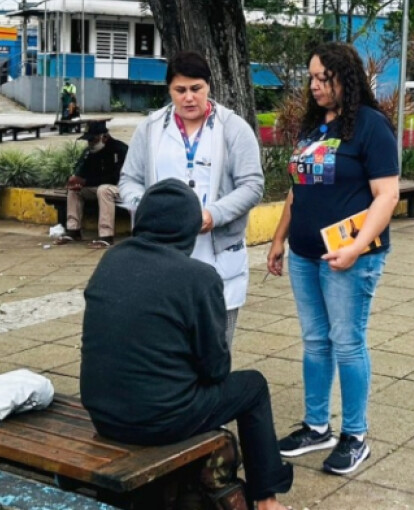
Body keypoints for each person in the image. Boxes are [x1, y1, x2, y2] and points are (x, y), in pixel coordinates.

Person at [81, 179, 293, 509]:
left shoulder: (111, 261)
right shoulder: (198, 276)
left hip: (104, 415)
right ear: (191, 229)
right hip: (160, 420)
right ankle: (266, 499)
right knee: (253, 387)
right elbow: (216, 369)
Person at [266, 42, 399, 476]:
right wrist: (278, 239)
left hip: (349, 257)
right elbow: (296, 189)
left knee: (347, 342)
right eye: (311, 78)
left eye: (324, 78)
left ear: (347, 77)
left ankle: (355, 435)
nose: (315, 85)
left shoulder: (371, 127)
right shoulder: (313, 127)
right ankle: (317, 424)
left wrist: (356, 247)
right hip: (306, 254)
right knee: (315, 341)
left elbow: (387, 195)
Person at [119, 51, 263, 346]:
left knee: (216, 346)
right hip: (163, 250)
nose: (188, 98)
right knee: (167, 343)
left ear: (208, 86)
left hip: (217, 250)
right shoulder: (151, 128)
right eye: (180, 90)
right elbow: (129, 180)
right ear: (169, 90)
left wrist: (213, 215)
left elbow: (252, 185)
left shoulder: (233, 129)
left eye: (196, 88)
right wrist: (146, 211)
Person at [56, 119, 129, 248]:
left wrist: (86, 181)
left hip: (121, 188)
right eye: (88, 140)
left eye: (93, 139)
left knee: (104, 190)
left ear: (104, 137)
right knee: (74, 190)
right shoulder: (90, 152)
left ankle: (106, 236)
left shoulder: (121, 150)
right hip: (98, 187)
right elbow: (81, 171)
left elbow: (116, 178)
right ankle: (73, 230)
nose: (90, 143)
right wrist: (75, 179)